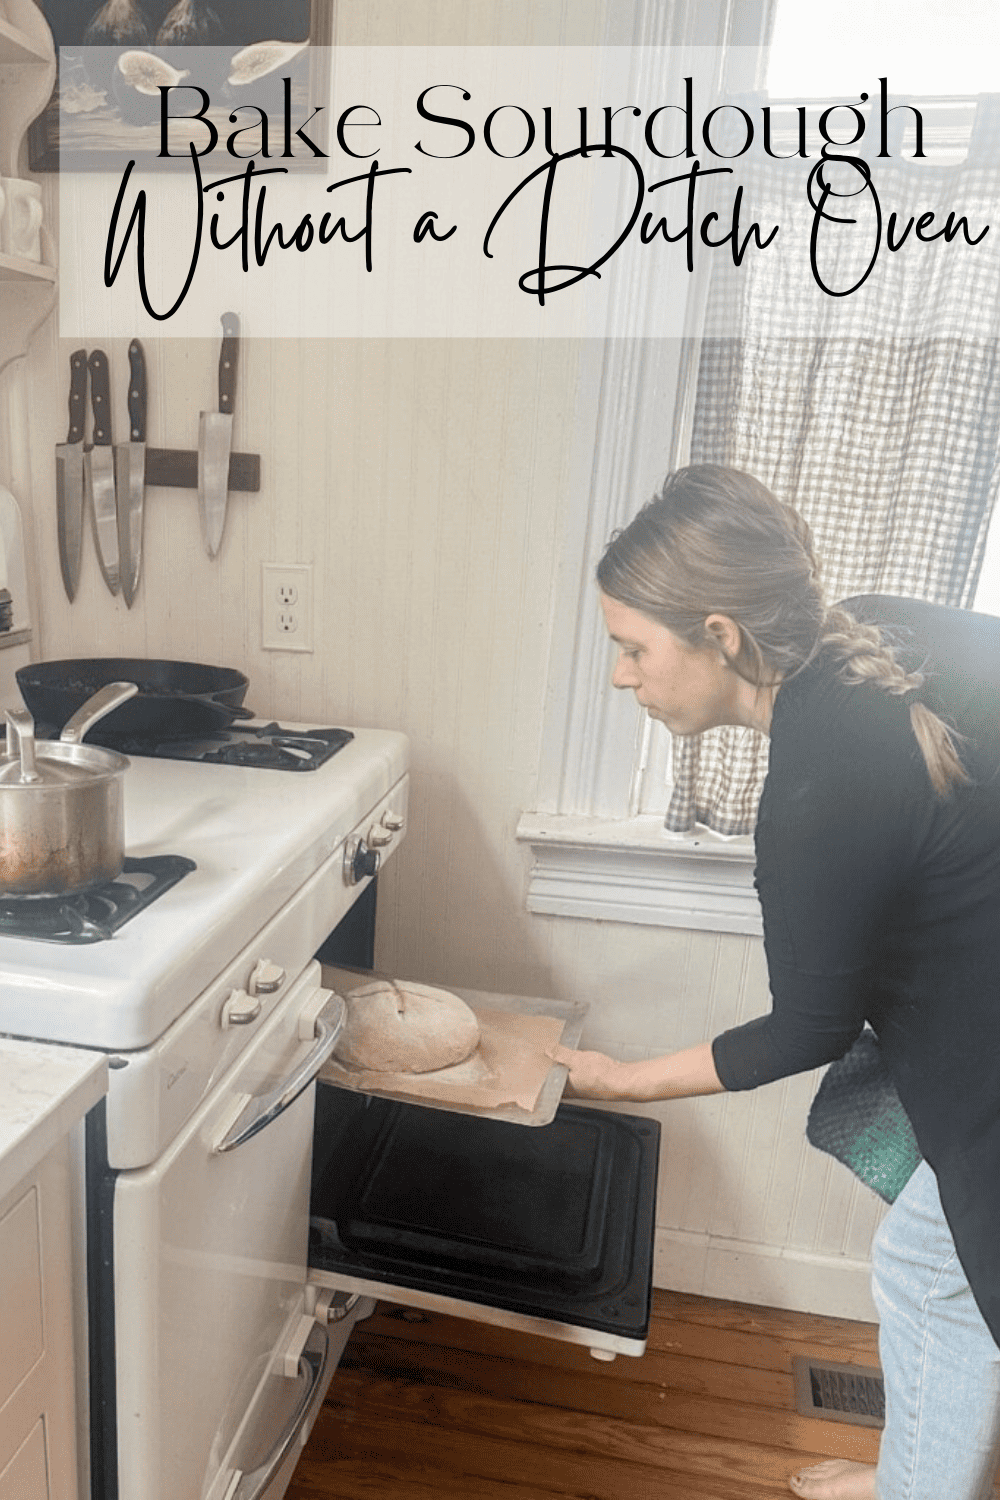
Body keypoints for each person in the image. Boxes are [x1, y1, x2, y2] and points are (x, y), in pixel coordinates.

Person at [549, 465, 1000, 1500]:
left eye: (633, 648)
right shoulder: (871, 635)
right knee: (935, 1270)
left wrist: (619, 1081)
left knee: (933, 1277)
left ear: (719, 634)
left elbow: (805, 1029)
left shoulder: (810, 794)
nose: (621, 677)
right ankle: (915, 1471)